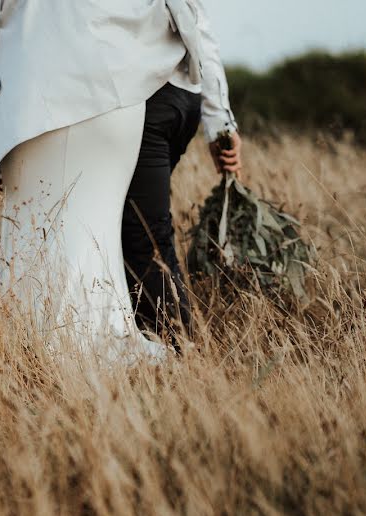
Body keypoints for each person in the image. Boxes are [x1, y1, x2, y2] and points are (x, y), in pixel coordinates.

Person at [0, 0, 236, 364]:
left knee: (110, 239)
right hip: (142, 90)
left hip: (70, 95)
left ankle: (165, 355)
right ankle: (158, 352)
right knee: (110, 237)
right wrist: (220, 119)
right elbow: (196, 18)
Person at [121, 1, 242, 340]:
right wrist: (219, 119)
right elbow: (200, 25)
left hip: (151, 97)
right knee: (126, 228)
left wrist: (220, 123)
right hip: (183, 96)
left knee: (142, 237)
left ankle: (179, 351)